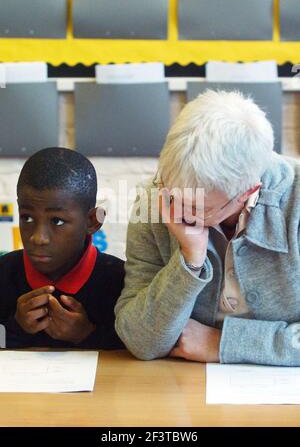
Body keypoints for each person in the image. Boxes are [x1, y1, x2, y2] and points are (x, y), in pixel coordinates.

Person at [115, 89, 300, 366]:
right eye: (169, 189)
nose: (177, 211)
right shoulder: (155, 199)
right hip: (184, 390)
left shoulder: (293, 202)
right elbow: (140, 340)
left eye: (199, 207)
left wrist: (221, 343)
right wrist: (189, 262)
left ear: (248, 191)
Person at [0, 147, 124, 349]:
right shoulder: (4, 273)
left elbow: (139, 350)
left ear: (92, 221)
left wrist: (86, 334)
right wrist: (16, 327)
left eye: (57, 221)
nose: (38, 238)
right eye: (27, 218)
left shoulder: (120, 281)